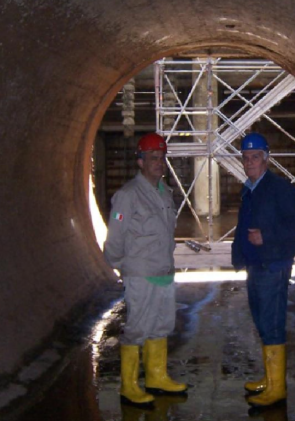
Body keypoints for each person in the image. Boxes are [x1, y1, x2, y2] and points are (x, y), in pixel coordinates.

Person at [103, 132, 188, 405]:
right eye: (153, 157)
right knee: (138, 328)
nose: (158, 162)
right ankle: (129, 386)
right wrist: (120, 266)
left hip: (164, 270)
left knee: (162, 326)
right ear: (140, 161)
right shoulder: (127, 195)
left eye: (162, 157)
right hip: (140, 273)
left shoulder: (165, 193)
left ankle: (156, 376)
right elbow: (115, 237)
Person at [231, 132, 295, 407]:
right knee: (262, 323)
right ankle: (269, 379)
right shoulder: (250, 189)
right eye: (246, 158)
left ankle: (277, 390)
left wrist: (267, 236)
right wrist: (240, 255)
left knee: (272, 325)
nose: (249, 162)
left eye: (255, 157)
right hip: (255, 265)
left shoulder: (280, 189)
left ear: (265, 159)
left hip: (273, 266)